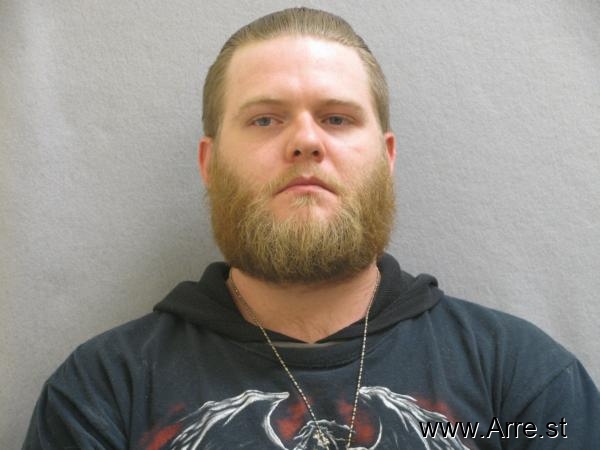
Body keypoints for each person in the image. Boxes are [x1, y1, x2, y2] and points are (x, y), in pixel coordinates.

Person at [23, 7, 599, 450]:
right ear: (210, 163)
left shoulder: (523, 383)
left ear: (386, 158)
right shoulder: (103, 392)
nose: (305, 140)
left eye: (337, 118)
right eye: (265, 119)